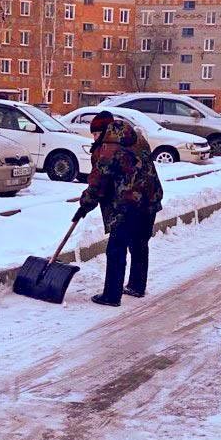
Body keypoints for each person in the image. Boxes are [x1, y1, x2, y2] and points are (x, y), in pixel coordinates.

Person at [75, 110, 164, 306]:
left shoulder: (108, 148)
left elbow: (99, 183)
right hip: (150, 199)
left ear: (104, 130)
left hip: (127, 204)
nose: (94, 138)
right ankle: (137, 286)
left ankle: (111, 295)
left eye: (96, 133)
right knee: (139, 243)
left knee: (116, 248)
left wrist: (85, 204)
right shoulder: (136, 137)